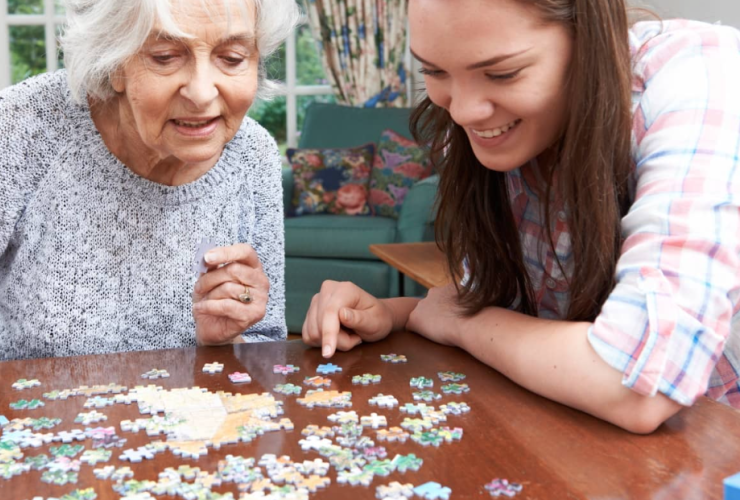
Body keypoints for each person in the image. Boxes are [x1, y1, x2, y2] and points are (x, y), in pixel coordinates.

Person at [0, 0, 299, 449]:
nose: (201, 92)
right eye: (165, 56)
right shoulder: (24, 126)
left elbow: (263, 348)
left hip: (169, 449)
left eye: (232, 58)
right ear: (115, 63)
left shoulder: (252, 155)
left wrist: (226, 336)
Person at [303, 0, 740, 434]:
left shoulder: (703, 75)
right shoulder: (498, 127)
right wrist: (390, 314)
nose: (462, 112)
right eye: (434, 71)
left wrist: (459, 321)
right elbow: (502, 318)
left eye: (502, 73)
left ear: (586, 34)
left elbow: (636, 386)